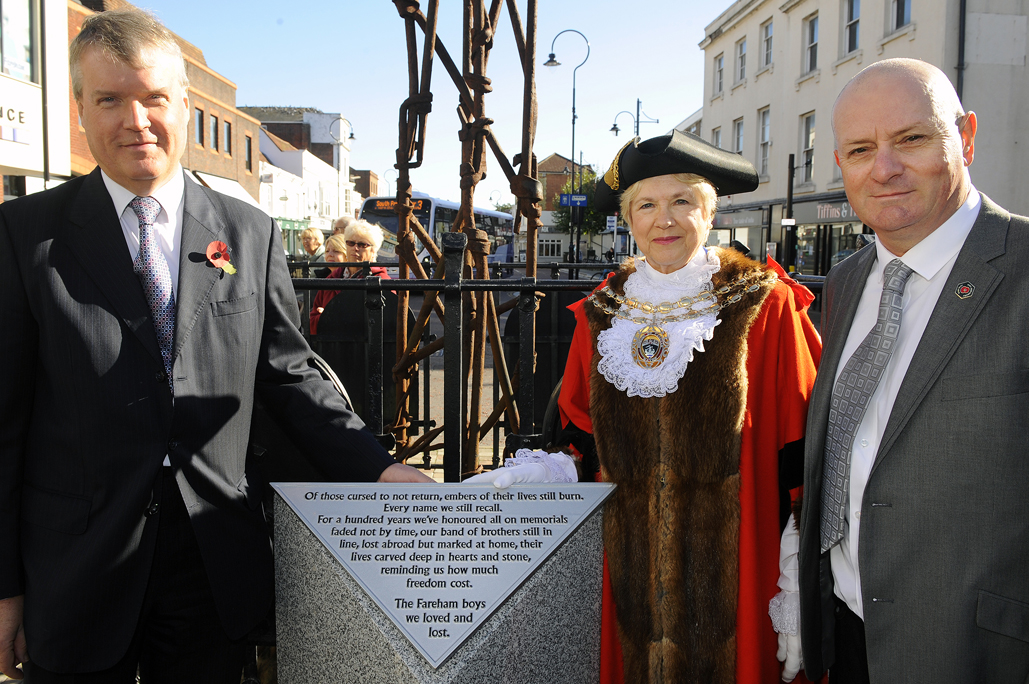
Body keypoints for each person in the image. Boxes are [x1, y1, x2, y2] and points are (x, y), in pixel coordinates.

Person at [0, 10, 430, 682]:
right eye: (109, 100)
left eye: (152, 99)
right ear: (79, 109)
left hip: (213, 562)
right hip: (74, 570)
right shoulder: (22, 235)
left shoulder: (248, 232)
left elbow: (290, 378)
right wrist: (4, 586)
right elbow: (4, 422)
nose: (134, 121)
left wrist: (377, 469)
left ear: (183, 104)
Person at [470, 131, 822, 683]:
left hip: (741, 581)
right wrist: (545, 471)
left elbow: (805, 450)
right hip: (628, 579)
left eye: (683, 201)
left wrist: (799, 580)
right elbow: (579, 436)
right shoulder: (603, 313)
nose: (666, 220)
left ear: (709, 212)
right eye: (647, 205)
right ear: (628, 219)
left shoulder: (764, 305)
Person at [787, 58, 1029, 683]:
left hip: (977, 652)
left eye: (912, 139)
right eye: (862, 149)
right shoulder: (844, 283)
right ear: (841, 165)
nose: (885, 168)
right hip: (843, 635)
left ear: (966, 138)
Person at [309, 221, 391, 335]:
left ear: (373, 250)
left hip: (364, 349)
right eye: (351, 243)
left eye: (362, 245)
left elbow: (387, 324)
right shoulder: (331, 279)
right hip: (332, 347)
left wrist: (332, 314)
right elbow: (312, 324)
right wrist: (324, 318)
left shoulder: (382, 280)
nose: (355, 248)